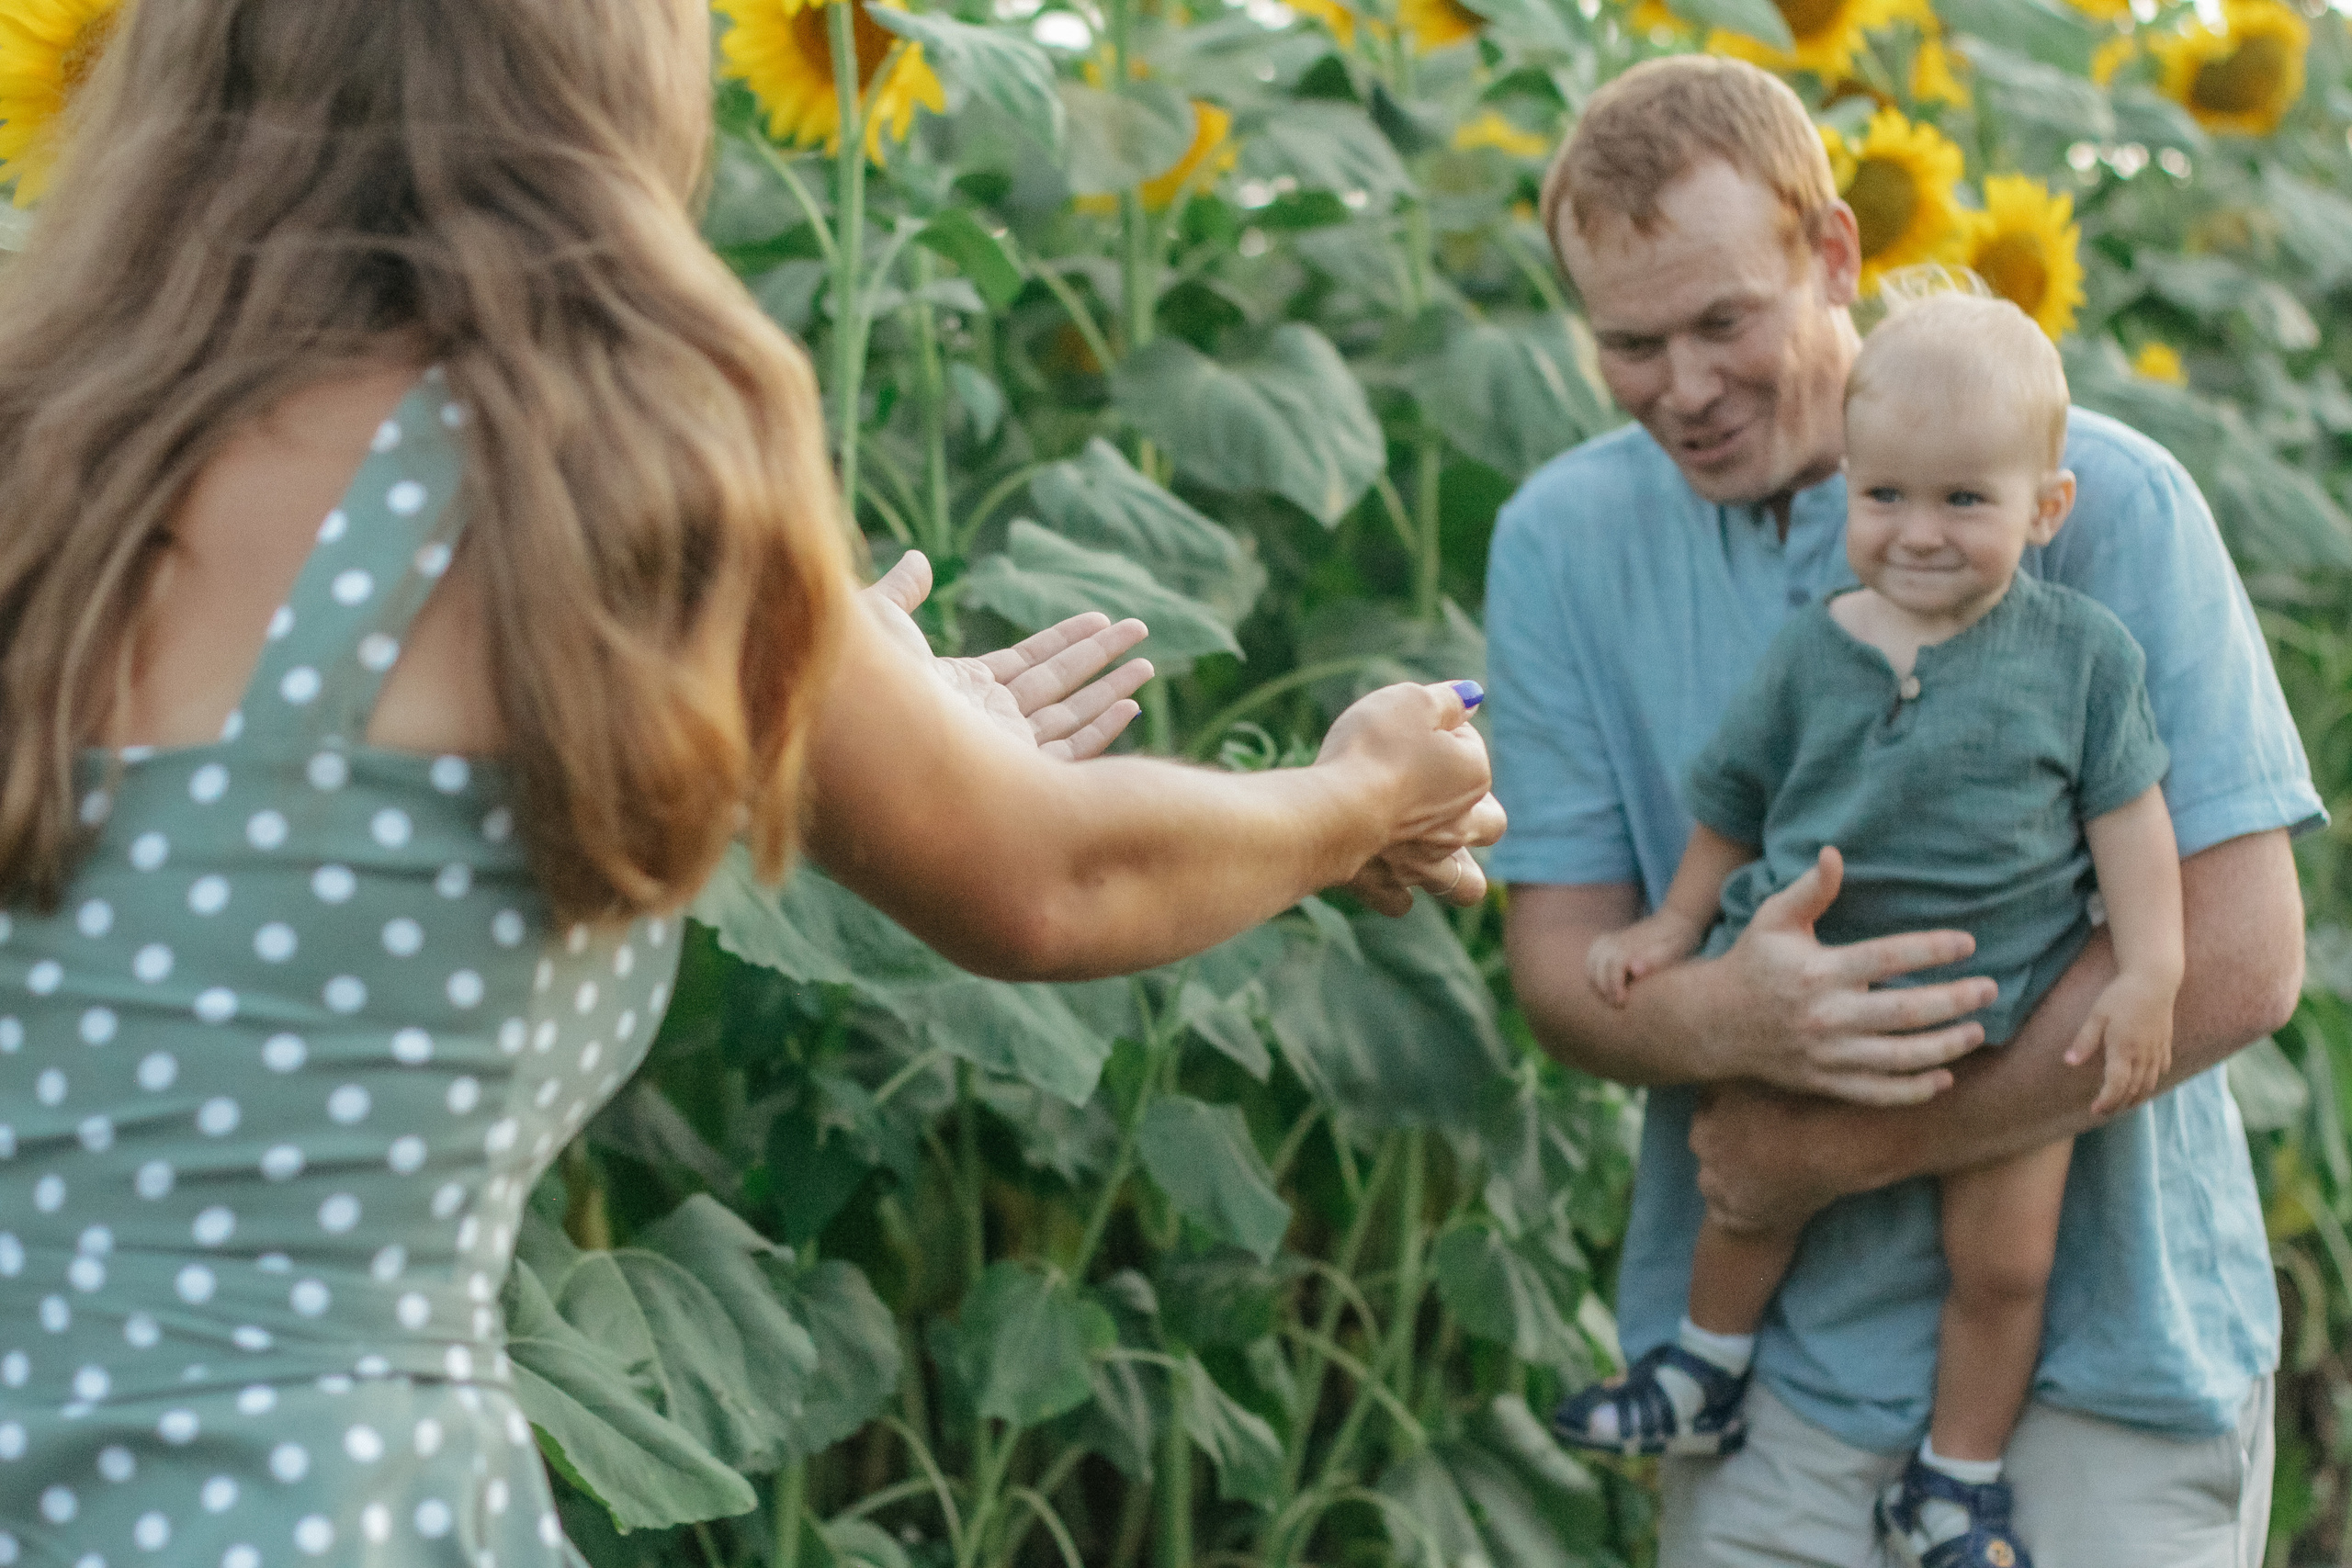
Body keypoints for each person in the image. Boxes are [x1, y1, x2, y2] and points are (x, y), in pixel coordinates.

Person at [0, 4, 1503, 1565]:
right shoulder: (596, 480)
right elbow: (1052, 880)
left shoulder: (42, 460)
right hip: (321, 1512)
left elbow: (268, 849)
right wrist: (1357, 795)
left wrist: (857, 726)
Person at [1487, 54, 2319, 1567]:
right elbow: (1562, 966)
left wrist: (1841, 1150)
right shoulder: (1560, 542)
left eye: (1724, 322)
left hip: (2104, 1361)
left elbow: (2246, 958)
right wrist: (1732, 1019)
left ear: (1832, 254)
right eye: (1630, 342)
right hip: (1769, 1379)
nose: (1683, 384)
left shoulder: (2103, 501)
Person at [1554, 290, 2186, 1568]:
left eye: (1967, 501)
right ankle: (1703, 1370)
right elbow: (1730, 810)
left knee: (2005, 1267)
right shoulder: (1813, 651)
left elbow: (2132, 826)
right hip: (1812, 1007)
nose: (1920, 534)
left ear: (2044, 510)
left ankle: (1954, 1481)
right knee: (1750, 1198)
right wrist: (1675, 929)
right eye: (1888, 496)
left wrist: (2153, 968)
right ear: (1853, 489)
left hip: (2001, 1027)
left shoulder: (2081, 658)